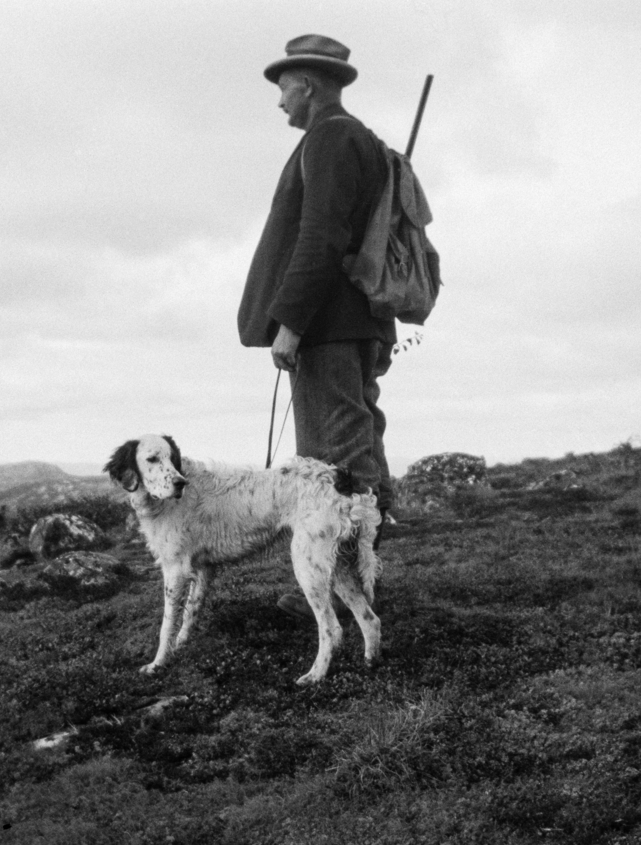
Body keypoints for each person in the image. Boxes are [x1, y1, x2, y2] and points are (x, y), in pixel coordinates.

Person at [237, 34, 396, 619]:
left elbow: (322, 238)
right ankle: (360, 581)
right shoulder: (360, 140)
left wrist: (292, 323)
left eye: (282, 88)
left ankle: (343, 589)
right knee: (357, 449)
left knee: (332, 463)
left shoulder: (330, 138)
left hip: (329, 324)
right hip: (359, 321)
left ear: (306, 84)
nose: (280, 101)